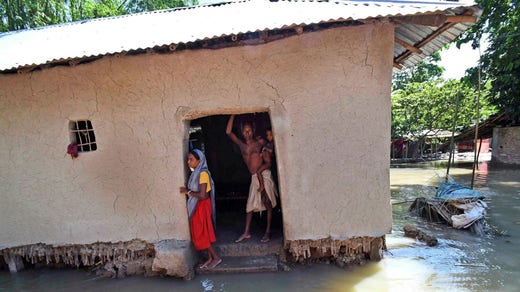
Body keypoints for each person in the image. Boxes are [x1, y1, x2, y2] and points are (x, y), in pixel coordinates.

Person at [226, 115, 278, 243]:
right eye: (244, 130)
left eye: (249, 130)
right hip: (254, 177)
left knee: (268, 203)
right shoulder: (241, 145)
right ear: (242, 132)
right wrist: (233, 113)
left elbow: (272, 146)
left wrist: (267, 150)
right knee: (250, 206)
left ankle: (267, 232)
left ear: (253, 130)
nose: (247, 133)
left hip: (264, 175)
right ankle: (246, 232)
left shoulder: (260, 143)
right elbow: (228, 132)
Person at [180, 149, 222, 269]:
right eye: (188, 159)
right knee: (203, 231)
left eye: (191, 159)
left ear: (199, 161)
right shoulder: (195, 173)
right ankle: (209, 258)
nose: (188, 162)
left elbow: (203, 195)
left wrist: (187, 191)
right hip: (199, 205)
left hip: (202, 205)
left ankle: (216, 258)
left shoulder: (203, 174)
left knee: (200, 233)